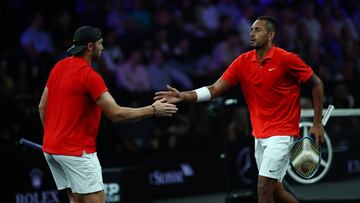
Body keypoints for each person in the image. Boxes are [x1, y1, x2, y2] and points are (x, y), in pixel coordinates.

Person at [154, 16, 324, 203]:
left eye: (258, 30)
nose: (252, 33)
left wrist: (317, 123)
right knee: (276, 192)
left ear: (270, 35)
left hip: (282, 134)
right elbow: (214, 89)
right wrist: (182, 96)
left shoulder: (286, 59)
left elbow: (317, 84)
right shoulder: (242, 62)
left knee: (263, 187)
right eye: (251, 29)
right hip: (259, 136)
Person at [38, 26, 178, 203]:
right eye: (100, 44)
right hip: (76, 151)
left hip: (51, 149)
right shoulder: (90, 76)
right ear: (90, 46)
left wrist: (52, 136)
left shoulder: (59, 66)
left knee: (76, 200)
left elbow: (42, 107)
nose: (102, 48)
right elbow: (116, 114)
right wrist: (153, 109)